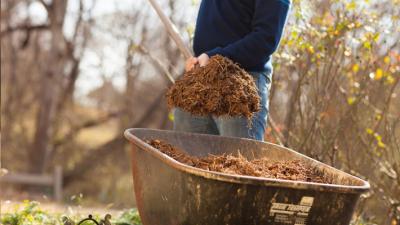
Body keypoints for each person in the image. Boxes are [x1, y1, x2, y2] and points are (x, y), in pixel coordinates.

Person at [174, 0, 291, 141]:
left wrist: (216, 57)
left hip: (241, 81)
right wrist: (199, 59)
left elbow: (265, 39)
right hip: (200, 75)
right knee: (184, 156)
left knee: (238, 159)